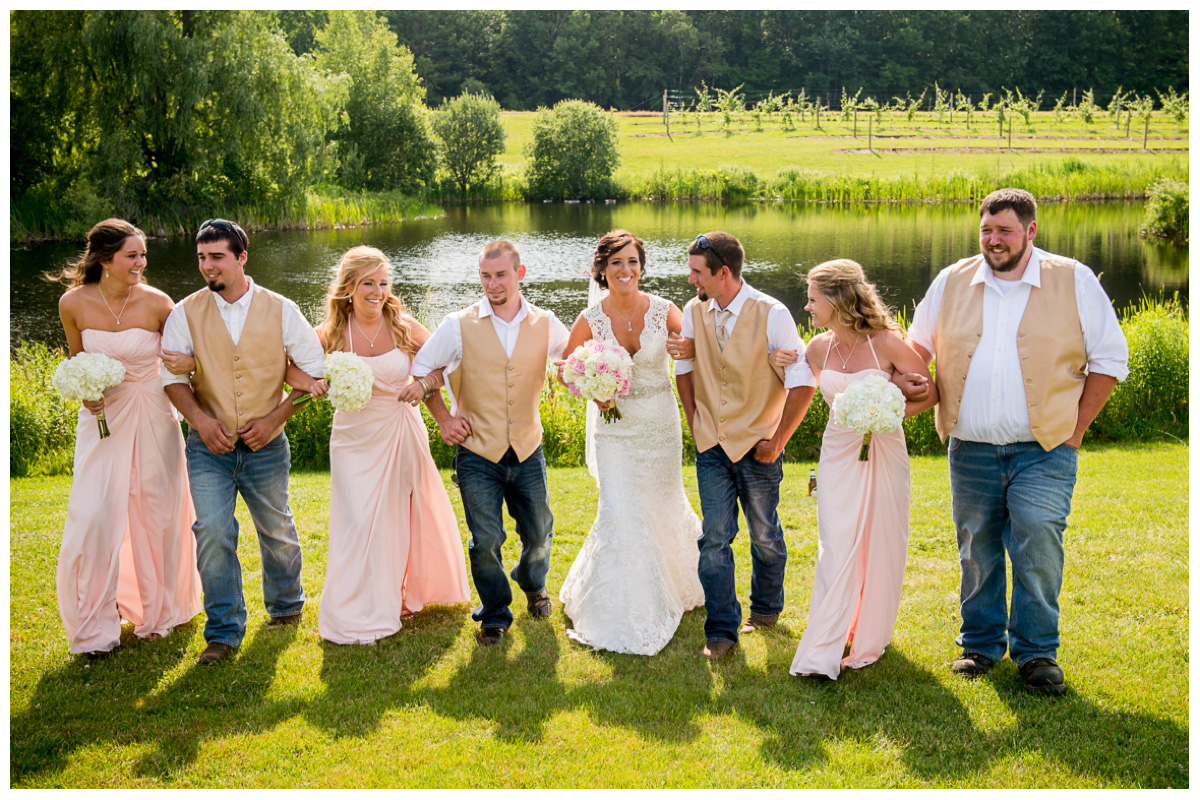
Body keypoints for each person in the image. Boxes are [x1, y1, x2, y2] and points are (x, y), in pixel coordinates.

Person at [905, 188, 1128, 695]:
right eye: (986, 230)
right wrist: (908, 379)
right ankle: (981, 644)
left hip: (1044, 448)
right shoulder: (952, 280)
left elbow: (1110, 360)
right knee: (977, 548)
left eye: (1004, 230)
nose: (993, 240)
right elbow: (917, 345)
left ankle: (1037, 653)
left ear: (1030, 231)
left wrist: (1074, 432)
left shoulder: (1072, 280)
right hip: (969, 446)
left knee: (1038, 542)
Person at [162, 219, 326, 666]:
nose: (207, 267)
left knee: (276, 529)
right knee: (212, 532)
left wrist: (275, 419)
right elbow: (172, 380)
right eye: (201, 258)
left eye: (216, 257)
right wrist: (200, 420)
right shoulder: (184, 312)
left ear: (241, 258)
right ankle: (223, 632)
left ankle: (287, 605)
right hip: (206, 448)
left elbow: (315, 375)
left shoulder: (281, 309)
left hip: (267, 448)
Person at [770, 260, 937, 681]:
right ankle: (824, 640)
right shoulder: (817, 349)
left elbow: (929, 393)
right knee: (836, 543)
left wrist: (887, 413)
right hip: (837, 455)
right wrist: (776, 363)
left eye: (812, 299)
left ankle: (868, 632)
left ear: (838, 299)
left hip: (884, 453)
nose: (806, 307)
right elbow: (795, 386)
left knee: (880, 539)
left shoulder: (887, 343)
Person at [50, 218, 202, 657]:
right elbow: (79, 365)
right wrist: (87, 397)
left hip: (154, 413)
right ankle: (95, 626)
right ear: (105, 260)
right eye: (132, 255)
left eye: (143, 256)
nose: (141, 263)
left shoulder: (158, 303)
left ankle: (159, 613)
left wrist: (189, 368)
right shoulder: (72, 303)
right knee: (93, 516)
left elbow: (185, 360)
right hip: (103, 421)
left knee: (157, 511)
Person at [308, 246, 469, 645]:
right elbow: (290, 362)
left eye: (383, 283)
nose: (377, 291)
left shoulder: (403, 326)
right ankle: (358, 603)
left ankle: (399, 595)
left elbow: (443, 364)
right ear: (349, 287)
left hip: (400, 431)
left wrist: (423, 385)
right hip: (352, 439)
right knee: (358, 520)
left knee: (399, 517)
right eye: (368, 283)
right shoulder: (331, 332)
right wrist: (312, 383)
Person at [411, 240, 570, 646]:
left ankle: (532, 583)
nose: (492, 283)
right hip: (477, 453)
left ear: (520, 273)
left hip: (528, 448)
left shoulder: (546, 322)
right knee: (486, 540)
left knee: (538, 532)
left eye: (500, 275)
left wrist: (586, 375)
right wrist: (444, 419)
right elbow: (422, 371)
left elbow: (573, 361)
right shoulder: (457, 324)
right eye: (485, 275)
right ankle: (496, 613)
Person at [554, 230, 705, 656]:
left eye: (633, 262)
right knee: (621, 511)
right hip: (614, 430)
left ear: (642, 267)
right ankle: (625, 611)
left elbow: (692, 350)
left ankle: (676, 583)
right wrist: (591, 387)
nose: (626, 270)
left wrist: (684, 346)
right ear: (602, 269)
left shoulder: (664, 310)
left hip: (659, 423)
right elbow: (566, 369)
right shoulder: (590, 319)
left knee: (660, 503)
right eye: (617, 262)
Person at [673, 231, 816, 661]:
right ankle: (721, 630)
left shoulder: (772, 313)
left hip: (758, 445)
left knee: (764, 534)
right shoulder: (693, 310)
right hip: (710, 446)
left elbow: (803, 381)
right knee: (715, 537)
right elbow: (685, 366)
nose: (691, 280)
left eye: (698, 273)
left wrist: (778, 441)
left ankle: (767, 609)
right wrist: (694, 419)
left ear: (723, 272)